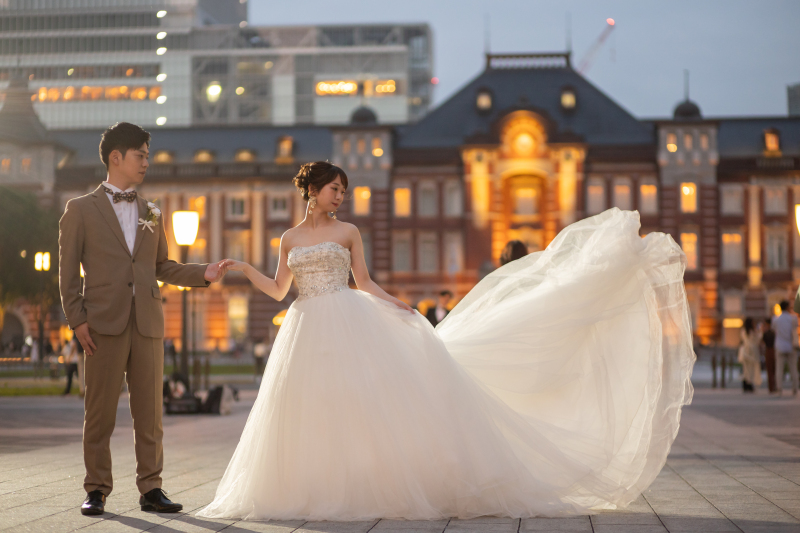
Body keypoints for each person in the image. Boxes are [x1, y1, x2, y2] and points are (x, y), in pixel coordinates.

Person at [197, 162, 695, 521]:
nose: (340, 197)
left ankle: (357, 485)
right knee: (307, 406)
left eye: (343, 191)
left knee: (357, 403)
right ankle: (309, 485)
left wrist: (398, 305)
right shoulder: (288, 238)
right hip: (305, 325)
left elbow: (363, 282)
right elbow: (278, 290)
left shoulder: (348, 231)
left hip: (346, 317)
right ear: (312, 190)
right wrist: (241, 268)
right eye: (334, 189)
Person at [58, 122, 229, 516]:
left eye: (147, 156)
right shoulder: (79, 210)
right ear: (116, 157)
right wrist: (77, 320)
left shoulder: (152, 210)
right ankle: (96, 488)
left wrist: (202, 273)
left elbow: (162, 266)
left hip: (149, 323)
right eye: (141, 155)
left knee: (150, 414)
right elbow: (67, 275)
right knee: (99, 413)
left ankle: (151, 488)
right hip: (101, 324)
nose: (147, 163)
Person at [772, 300, 799, 397]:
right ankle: (795, 388)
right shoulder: (793, 318)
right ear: (787, 307)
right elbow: (795, 329)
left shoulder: (776, 319)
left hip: (779, 346)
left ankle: (779, 389)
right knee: (793, 368)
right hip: (791, 346)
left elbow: (774, 329)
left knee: (779, 369)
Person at [738, 318, 761, 393]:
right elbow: (757, 340)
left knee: (746, 369)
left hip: (746, 351)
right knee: (750, 370)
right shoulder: (752, 332)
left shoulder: (744, 331)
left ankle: (746, 384)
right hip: (751, 352)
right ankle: (749, 384)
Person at [762, 318, 777, 393]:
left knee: (770, 370)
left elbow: (763, 342)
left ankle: (771, 387)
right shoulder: (774, 332)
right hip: (774, 350)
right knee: (774, 370)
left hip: (769, 350)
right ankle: (775, 386)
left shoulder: (766, 333)